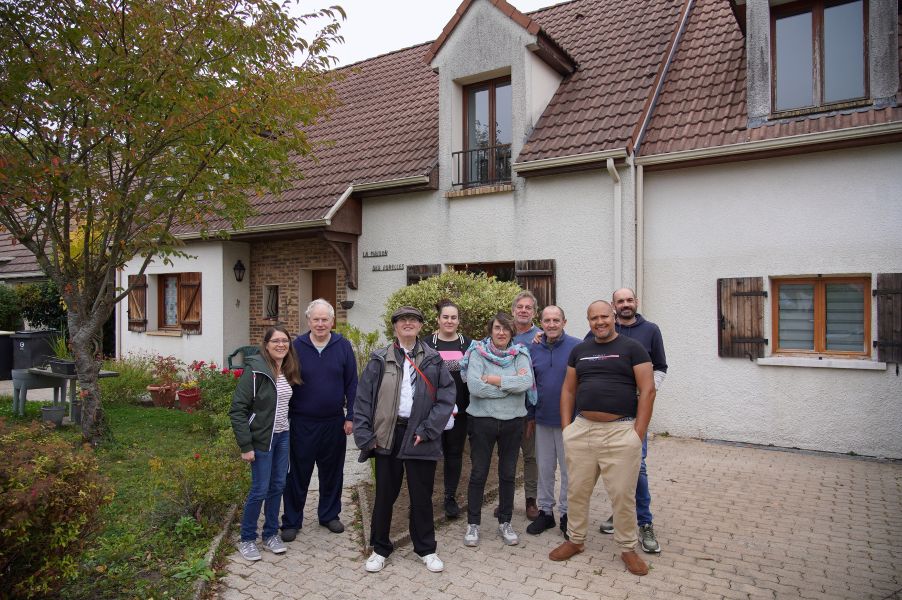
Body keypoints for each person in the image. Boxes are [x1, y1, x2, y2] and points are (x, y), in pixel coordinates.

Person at [549, 300, 656, 576]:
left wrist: (638, 434)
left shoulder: (634, 348)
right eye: (594, 318)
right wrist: (567, 428)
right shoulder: (580, 351)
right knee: (577, 491)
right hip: (582, 430)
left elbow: (648, 390)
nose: (600, 322)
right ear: (588, 321)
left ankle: (627, 548)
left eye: (604, 317)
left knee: (622, 495)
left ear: (614, 316)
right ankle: (575, 540)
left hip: (621, 431)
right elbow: (568, 391)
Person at [353, 306, 455, 574]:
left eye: (414, 320)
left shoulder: (433, 359)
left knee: (422, 495)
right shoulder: (378, 358)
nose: (408, 323)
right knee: (385, 495)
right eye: (402, 320)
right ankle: (379, 549)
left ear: (421, 326)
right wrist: (365, 436)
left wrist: (429, 429)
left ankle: (426, 548)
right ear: (395, 326)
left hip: (421, 435)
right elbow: (363, 400)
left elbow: (446, 397)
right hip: (388, 435)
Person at [593, 288, 667, 554]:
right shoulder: (601, 329)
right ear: (613, 306)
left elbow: (660, 367)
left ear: (636, 302)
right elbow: (586, 357)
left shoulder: (651, 330)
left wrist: (645, 391)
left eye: (629, 300)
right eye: (620, 301)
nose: (625, 304)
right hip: (606, 413)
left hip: (635, 412)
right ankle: (622, 514)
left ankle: (645, 523)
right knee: (612, 465)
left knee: (639, 466)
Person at [281, 299, 357, 541]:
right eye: (316, 319)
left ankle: (329, 515)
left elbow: (352, 383)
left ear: (332, 321)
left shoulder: (343, 346)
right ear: (309, 321)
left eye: (325, 319)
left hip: (334, 422)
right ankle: (292, 521)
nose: (321, 324)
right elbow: (284, 381)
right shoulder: (296, 347)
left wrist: (351, 416)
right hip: (302, 422)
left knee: (332, 472)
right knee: (297, 474)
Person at [461, 312, 535, 548]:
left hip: (513, 422)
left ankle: (505, 522)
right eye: (496, 328)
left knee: (508, 473)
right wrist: (508, 385)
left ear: (512, 332)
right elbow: (474, 387)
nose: (501, 332)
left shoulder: (520, 353)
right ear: (490, 331)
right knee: (479, 473)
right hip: (482, 422)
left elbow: (526, 383)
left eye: (505, 328)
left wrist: (493, 379)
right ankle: (473, 524)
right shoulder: (476, 353)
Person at [229, 325, 303, 562]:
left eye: (285, 341)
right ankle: (247, 538)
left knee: (278, 485)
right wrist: (245, 446)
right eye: (275, 341)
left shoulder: (287, 369)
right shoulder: (256, 371)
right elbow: (237, 410)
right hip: (262, 438)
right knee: (260, 489)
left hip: (283, 435)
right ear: (266, 345)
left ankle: (270, 534)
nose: (281, 345)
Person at [525, 305, 580, 538]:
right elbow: (529, 384)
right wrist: (529, 416)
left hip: (571, 422)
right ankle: (546, 513)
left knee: (569, 472)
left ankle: (567, 515)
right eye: (546, 320)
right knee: (545, 469)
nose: (551, 324)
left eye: (556, 320)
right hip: (542, 419)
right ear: (541, 323)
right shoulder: (532, 349)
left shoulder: (577, 347)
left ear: (564, 322)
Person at [423, 299, 472, 519]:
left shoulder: (468, 344)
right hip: (432, 412)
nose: (449, 321)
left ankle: (450, 498)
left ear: (458, 320)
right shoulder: (426, 344)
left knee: (454, 455)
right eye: (446, 317)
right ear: (438, 319)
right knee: (430, 455)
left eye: (453, 317)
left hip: (459, 412)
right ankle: (424, 499)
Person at [511, 290, 541, 521]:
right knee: (507, 456)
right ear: (513, 311)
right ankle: (505, 499)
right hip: (504, 409)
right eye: (520, 307)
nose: (523, 310)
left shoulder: (541, 337)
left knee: (530, 457)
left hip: (529, 410)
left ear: (534, 312)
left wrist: (532, 413)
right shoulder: (502, 333)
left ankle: (531, 500)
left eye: (528, 307)